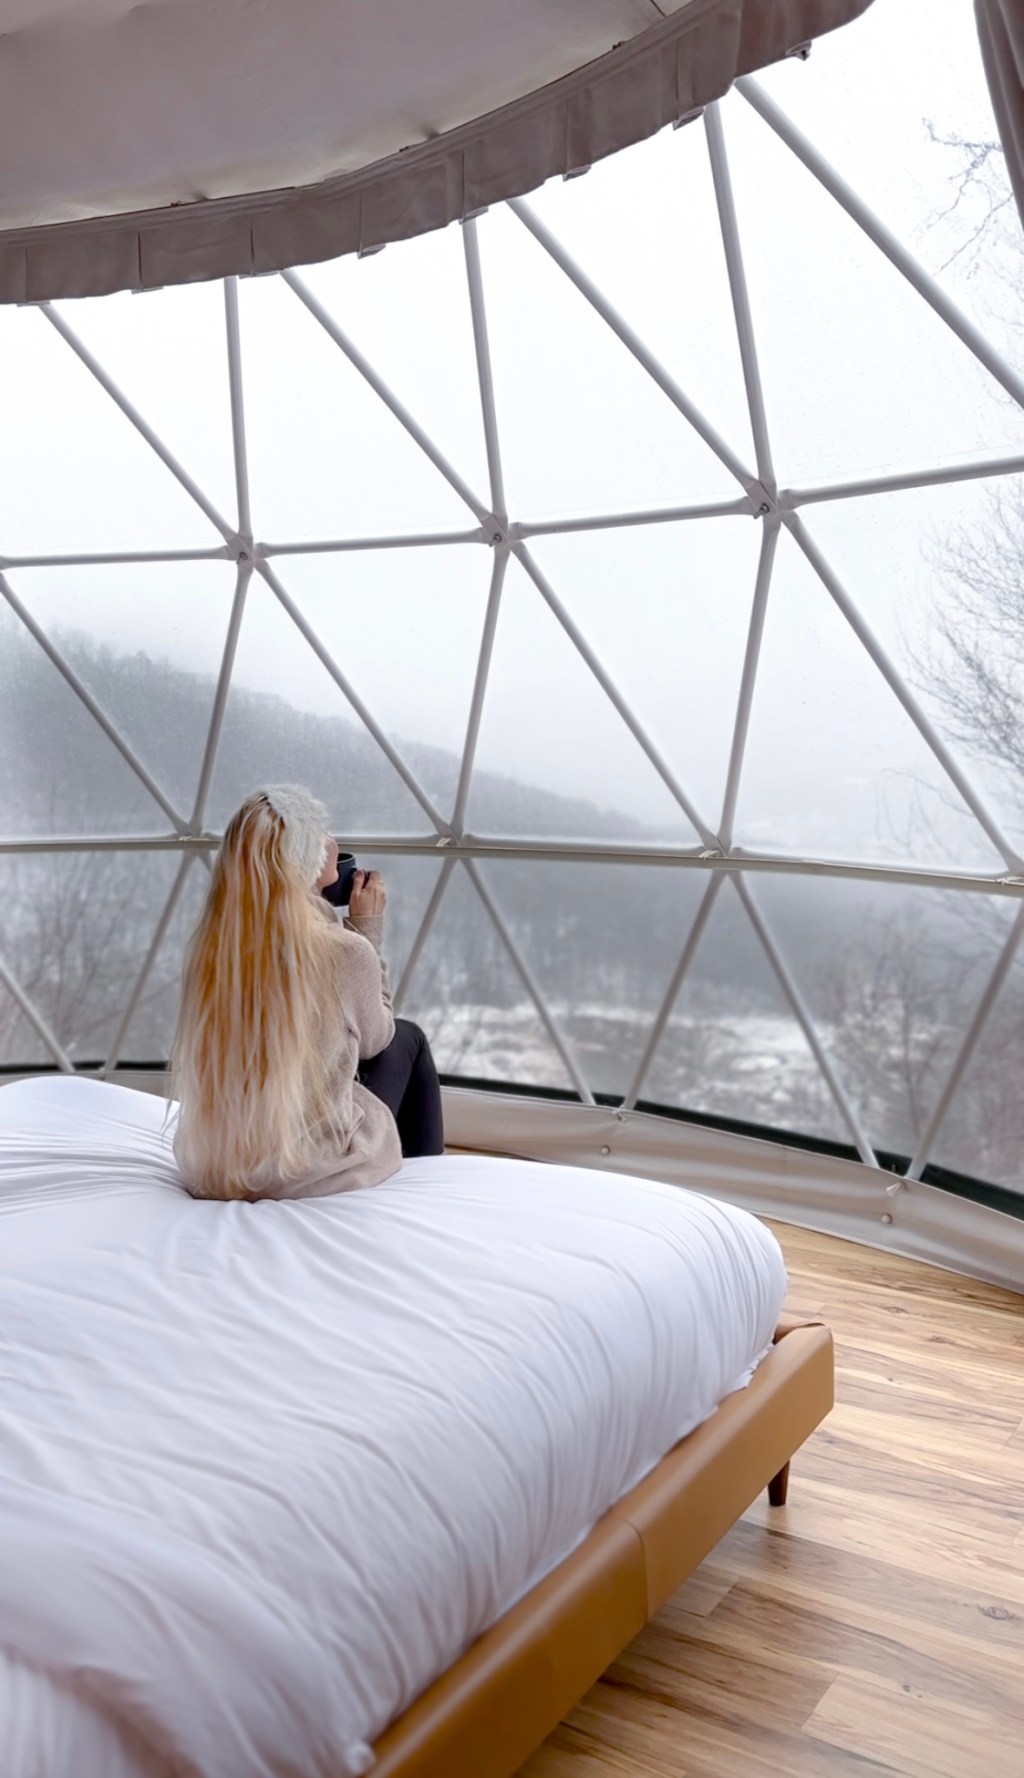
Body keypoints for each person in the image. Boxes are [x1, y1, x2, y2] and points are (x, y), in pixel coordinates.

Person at [171, 784, 443, 1201]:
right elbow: (376, 1041)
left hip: (218, 1166)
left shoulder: (214, 948)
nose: (334, 842)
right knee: (408, 1038)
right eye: (324, 833)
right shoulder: (344, 952)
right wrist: (365, 930)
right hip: (300, 1170)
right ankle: (430, 1188)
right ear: (309, 862)